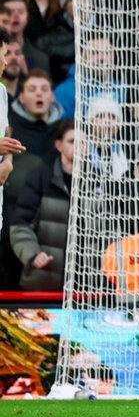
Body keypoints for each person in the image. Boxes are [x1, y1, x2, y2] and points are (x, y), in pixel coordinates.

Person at [8, 119, 74, 290]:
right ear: (59, 145)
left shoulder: (98, 184)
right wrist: (33, 255)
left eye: (84, 142)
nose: (79, 147)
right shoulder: (40, 179)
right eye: (72, 141)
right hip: (41, 285)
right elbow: (20, 226)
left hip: (84, 291)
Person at [1, 26, 28, 235]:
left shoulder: (1, 92)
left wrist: (8, 162)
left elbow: (4, 135)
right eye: (2, 55)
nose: (6, 61)